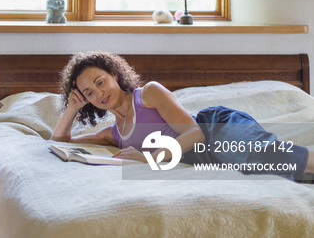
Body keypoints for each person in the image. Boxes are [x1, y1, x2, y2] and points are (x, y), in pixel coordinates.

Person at [51, 51, 313, 181]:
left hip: (213, 127)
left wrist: (149, 158)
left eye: (100, 82)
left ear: (115, 76)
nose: (99, 93)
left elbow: (195, 134)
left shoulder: (148, 94)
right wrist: (73, 107)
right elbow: (61, 142)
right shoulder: (114, 134)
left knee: (262, 156)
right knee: (261, 173)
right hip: (201, 156)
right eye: (89, 92)